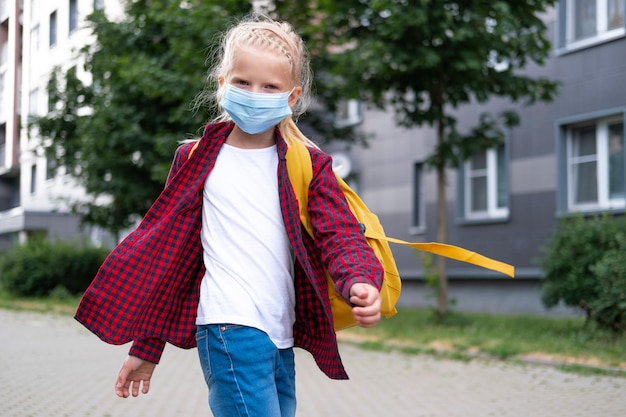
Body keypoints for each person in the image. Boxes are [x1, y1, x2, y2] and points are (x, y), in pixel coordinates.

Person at [75, 14, 384, 417]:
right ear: (222, 85)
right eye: (242, 82)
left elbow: (338, 233)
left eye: (269, 86)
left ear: (291, 97)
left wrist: (359, 278)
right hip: (227, 324)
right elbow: (173, 257)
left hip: (280, 333)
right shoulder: (195, 159)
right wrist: (147, 347)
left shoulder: (306, 163)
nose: (254, 94)